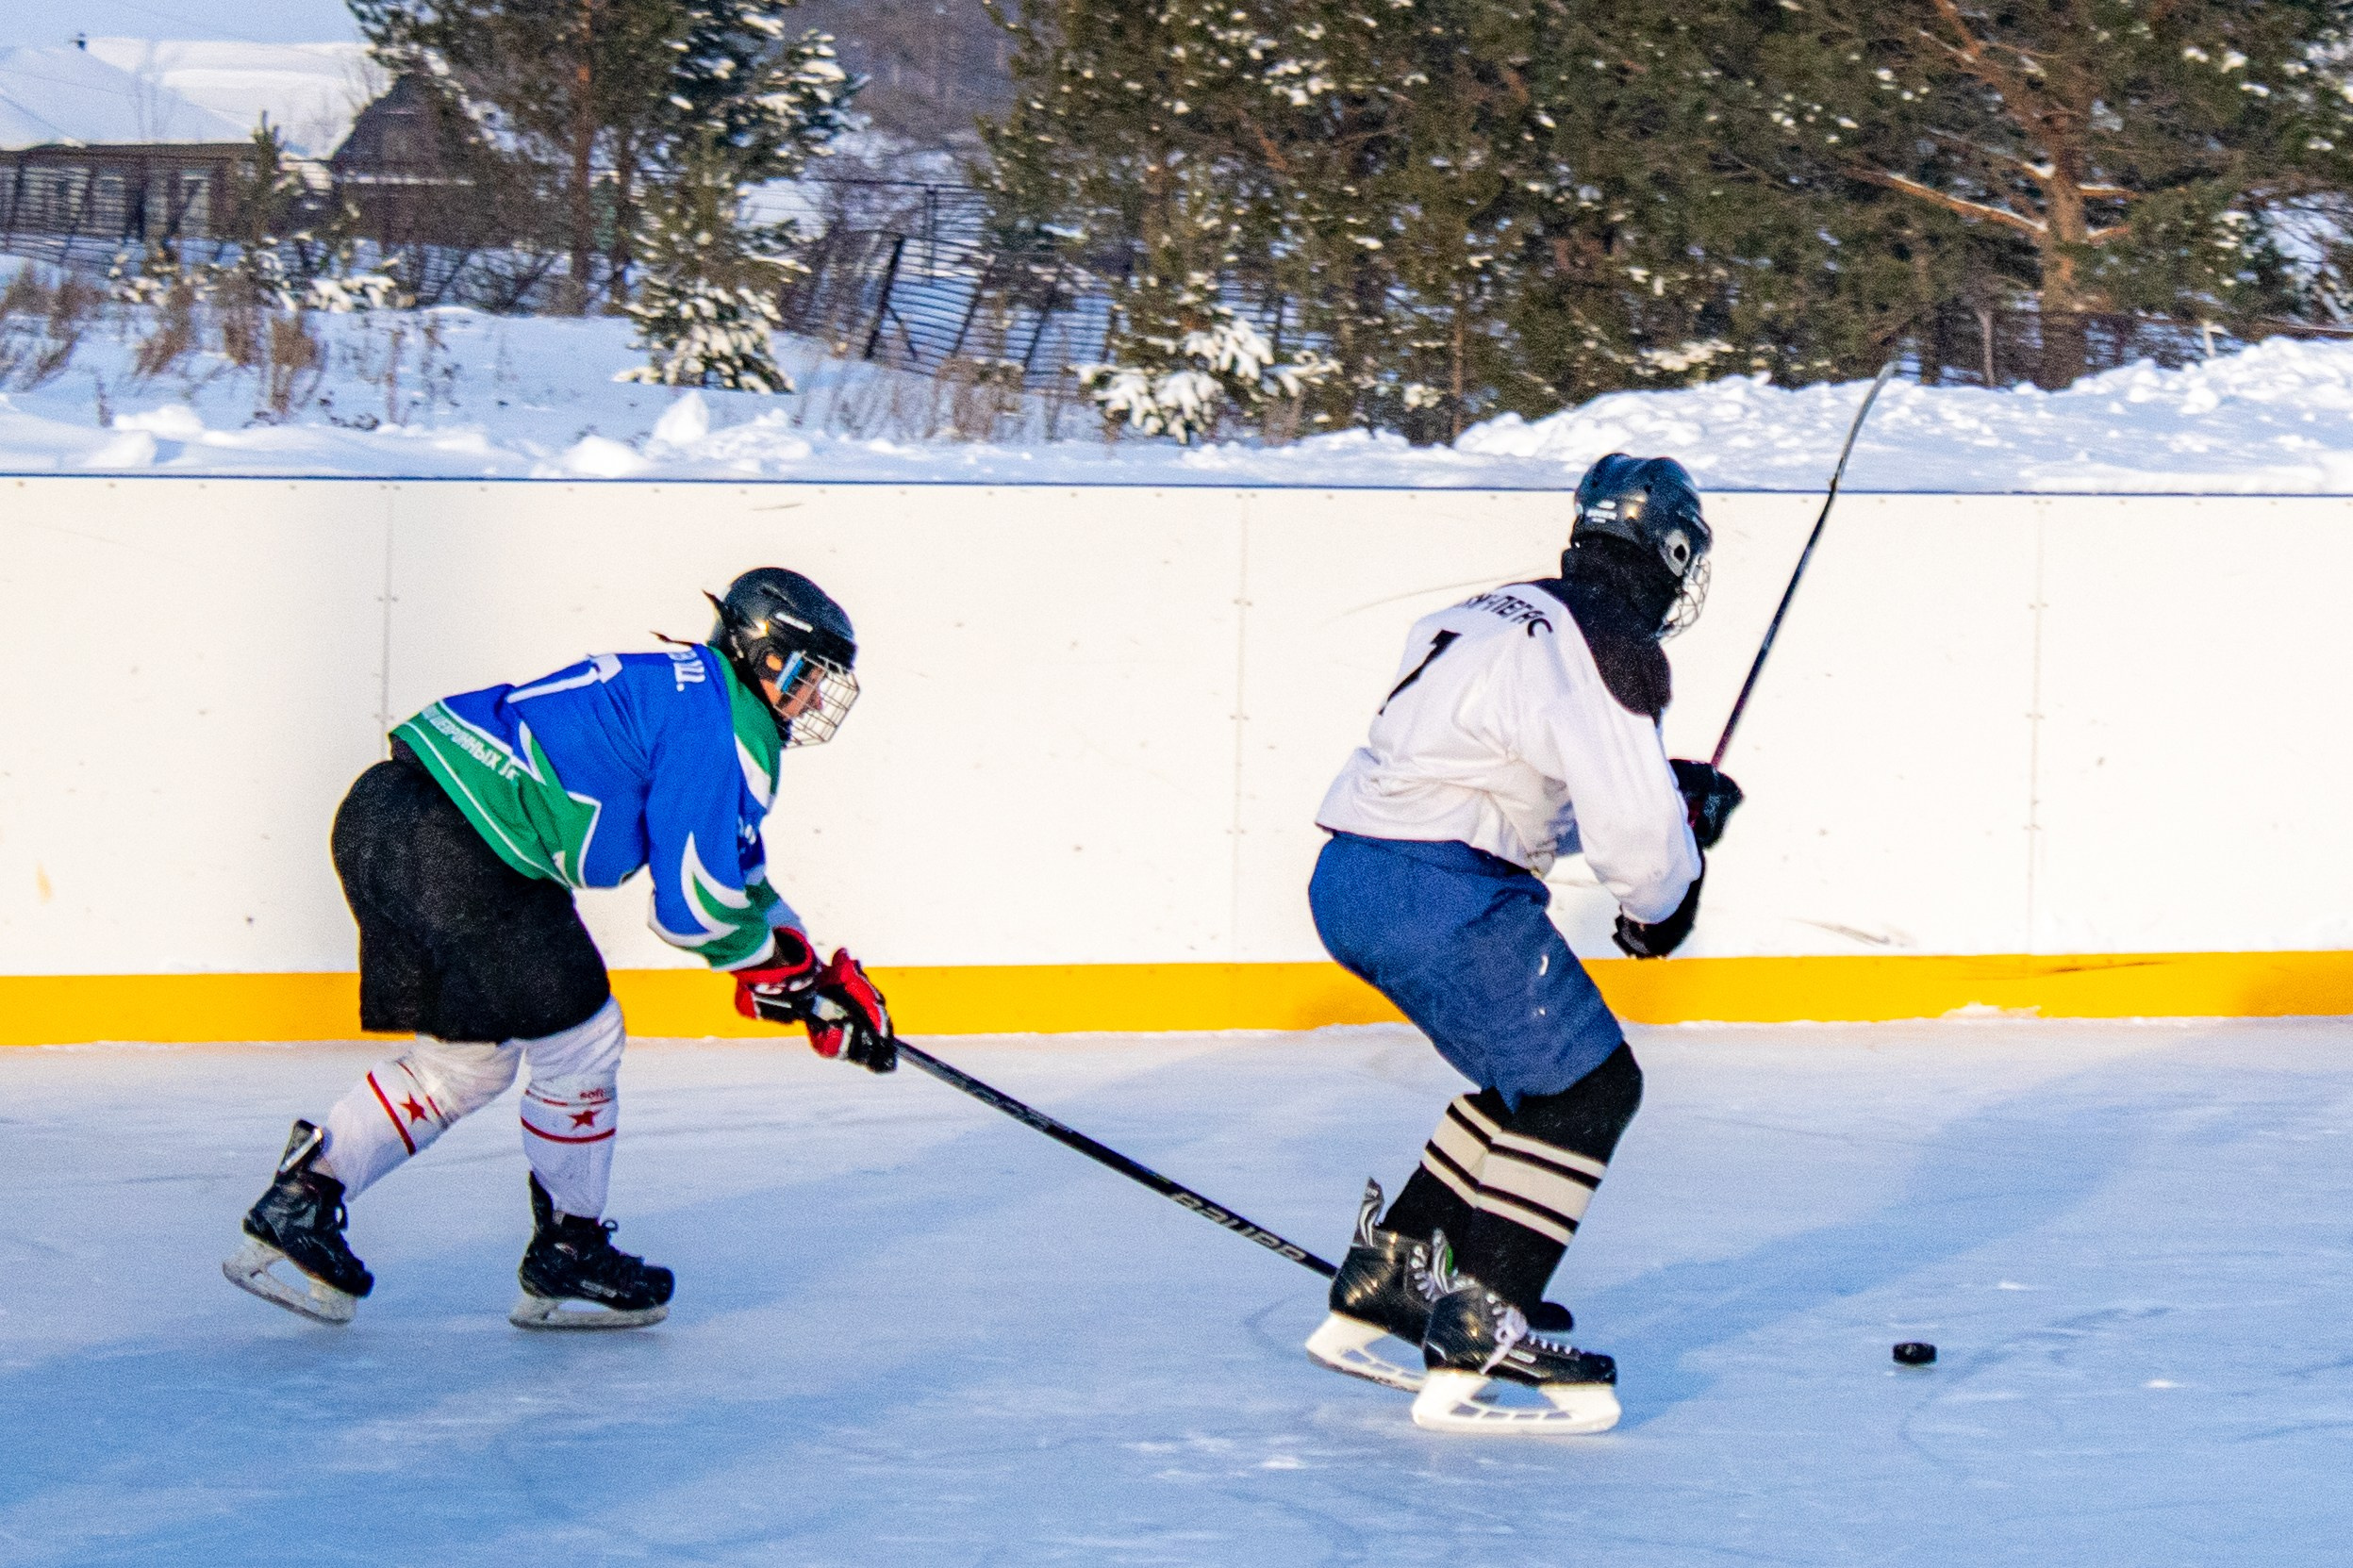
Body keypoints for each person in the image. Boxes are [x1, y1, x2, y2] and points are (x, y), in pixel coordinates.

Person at [224, 568, 897, 1329]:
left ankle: (302, 1197)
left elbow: (737, 876)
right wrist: (789, 978)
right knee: (584, 1036)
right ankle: (568, 1254)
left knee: (465, 1062)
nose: (814, 700)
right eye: (807, 676)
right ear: (760, 651)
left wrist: (809, 971)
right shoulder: (722, 724)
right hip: (464, 846)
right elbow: (696, 909)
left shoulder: (698, 693)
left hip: (384, 817)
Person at [1300, 454, 1743, 1434]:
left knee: (1528, 1087)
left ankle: (1394, 1273)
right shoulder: (1612, 644)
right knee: (1591, 1090)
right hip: (1440, 889)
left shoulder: (1506, 609)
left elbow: (1524, 782)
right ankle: (1484, 1321)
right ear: (1667, 553)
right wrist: (1663, 901)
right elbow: (1637, 848)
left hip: (1354, 879)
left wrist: (1665, 797)